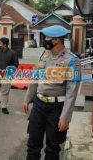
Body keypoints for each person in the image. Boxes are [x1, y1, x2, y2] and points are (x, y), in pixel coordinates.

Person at [22, 25, 81, 160]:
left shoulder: (72, 60)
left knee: (52, 147)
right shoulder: (44, 55)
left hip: (56, 108)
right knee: (33, 143)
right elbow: (35, 78)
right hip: (38, 104)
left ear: (56, 40)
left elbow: (72, 92)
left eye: (47, 38)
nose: (45, 40)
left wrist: (65, 117)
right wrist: (27, 99)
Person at [0, 37, 19, 114]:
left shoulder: (12, 53)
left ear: (5, 44)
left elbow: (16, 64)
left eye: (0, 43)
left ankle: (4, 106)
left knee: (5, 91)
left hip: (7, 75)